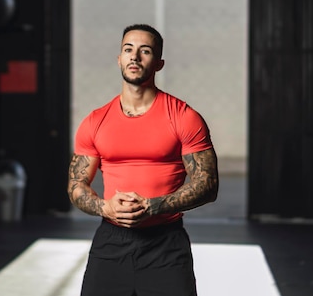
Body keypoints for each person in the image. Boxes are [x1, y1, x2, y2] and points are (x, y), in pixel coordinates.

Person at [68, 23, 219, 296]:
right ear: (119, 59)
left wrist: (153, 206)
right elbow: (76, 185)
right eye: (128, 49)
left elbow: (208, 185)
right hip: (111, 241)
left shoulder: (184, 117)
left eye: (145, 51)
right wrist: (105, 208)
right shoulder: (95, 121)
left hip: (166, 243)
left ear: (159, 63)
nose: (135, 56)